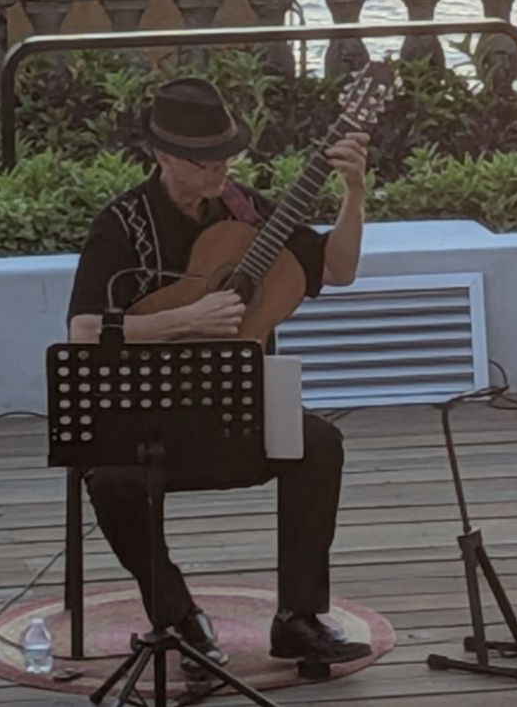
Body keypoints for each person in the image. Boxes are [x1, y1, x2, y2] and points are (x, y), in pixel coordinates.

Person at [65, 77, 373, 675]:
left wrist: (355, 192)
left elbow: (338, 270)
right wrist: (186, 319)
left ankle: (299, 619)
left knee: (318, 444)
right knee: (109, 481)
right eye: (202, 162)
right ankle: (181, 620)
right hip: (148, 429)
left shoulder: (246, 210)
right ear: (161, 155)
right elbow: (83, 330)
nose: (219, 171)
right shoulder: (122, 224)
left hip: (235, 421)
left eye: (225, 157)